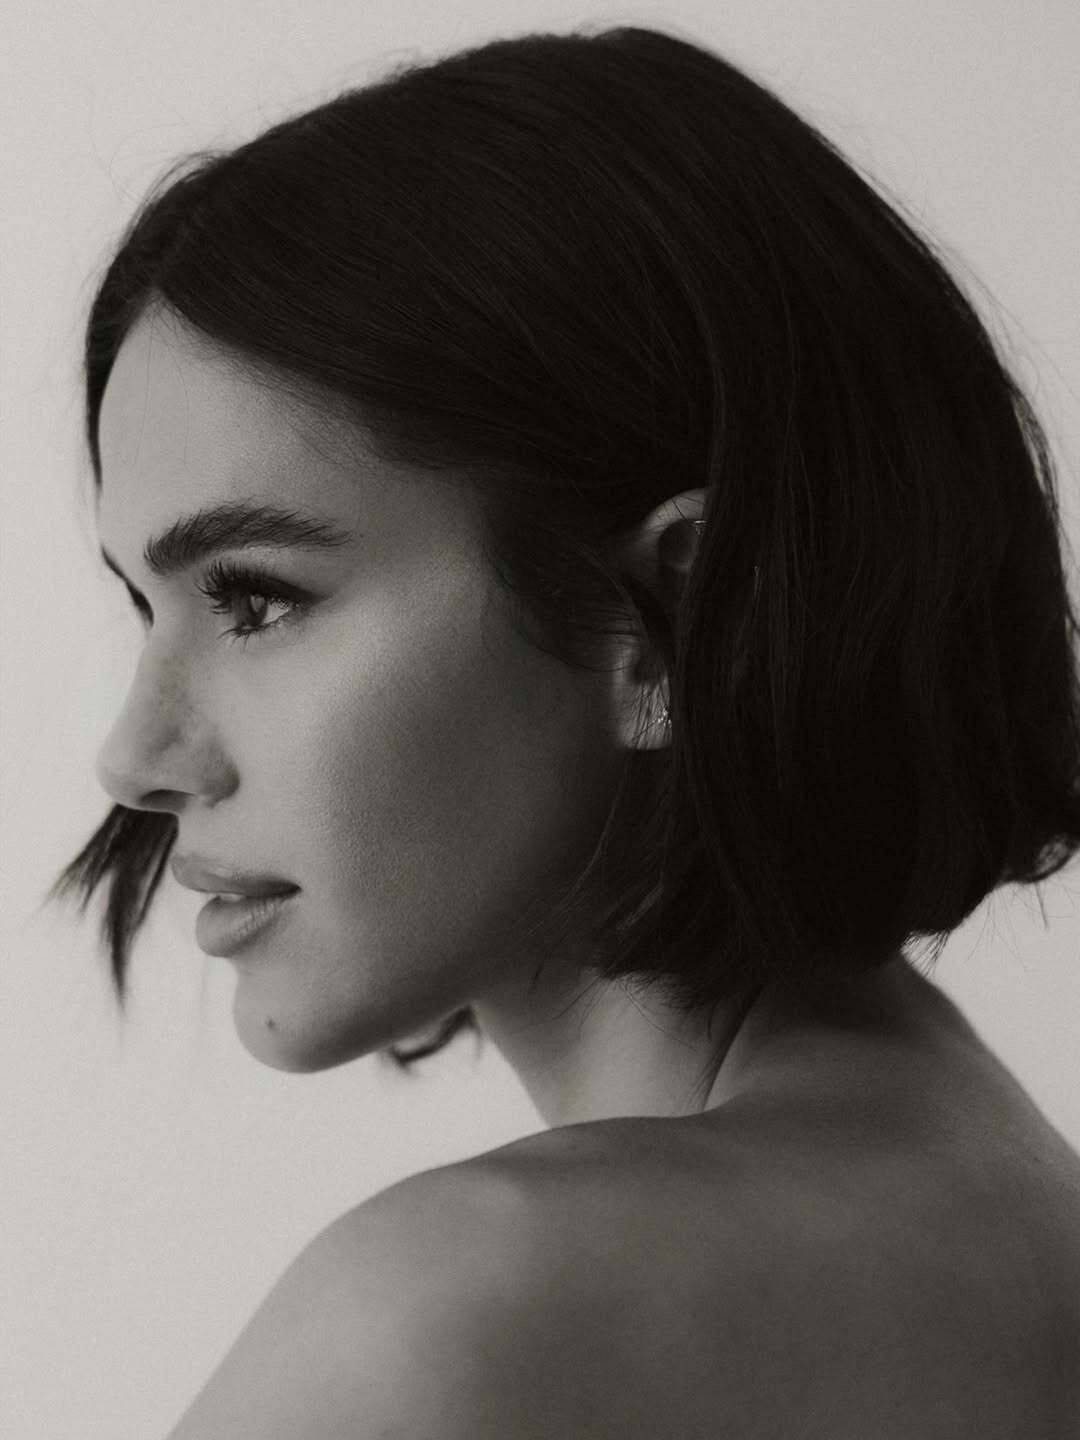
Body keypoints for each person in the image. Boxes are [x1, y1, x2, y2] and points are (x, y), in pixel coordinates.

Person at [51, 23, 1080, 1439]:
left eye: (256, 598)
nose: (134, 756)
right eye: (144, 604)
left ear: (664, 617)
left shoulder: (459, 1310)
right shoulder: (1020, 1219)